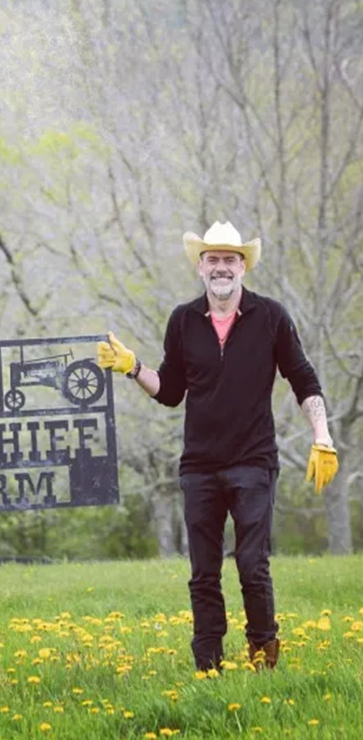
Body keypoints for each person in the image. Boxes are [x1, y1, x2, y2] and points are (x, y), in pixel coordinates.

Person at [97, 221, 338, 672]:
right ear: (201, 268)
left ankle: (263, 656)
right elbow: (171, 391)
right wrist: (132, 367)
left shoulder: (271, 317)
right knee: (203, 572)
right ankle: (207, 666)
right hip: (200, 466)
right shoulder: (183, 320)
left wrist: (321, 436)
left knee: (252, 563)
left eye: (230, 259)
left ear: (243, 266)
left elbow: (303, 379)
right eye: (213, 259)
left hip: (254, 462)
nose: (221, 267)